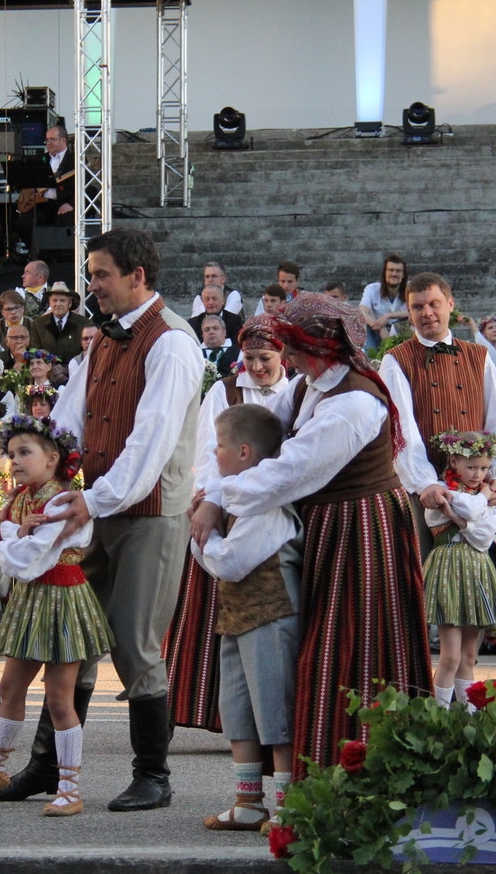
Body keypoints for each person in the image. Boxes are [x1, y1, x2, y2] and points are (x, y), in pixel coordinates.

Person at [0, 228, 202, 811]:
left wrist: (93, 498)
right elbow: (67, 421)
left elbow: (152, 441)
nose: (93, 284)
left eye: (101, 273)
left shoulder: (173, 343)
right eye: (91, 273)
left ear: (138, 276)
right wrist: (40, 470)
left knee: (135, 643)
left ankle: (153, 775)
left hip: (150, 513)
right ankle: (47, 766)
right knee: (71, 636)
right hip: (99, 508)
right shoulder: (104, 342)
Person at [191, 293, 431, 778]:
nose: (289, 359)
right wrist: (214, 493)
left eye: (294, 349)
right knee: (317, 646)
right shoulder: (306, 388)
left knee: (353, 642)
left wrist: (222, 498)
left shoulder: (357, 402)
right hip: (323, 524)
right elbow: (259, 435)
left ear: (322, 348)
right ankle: (300, 777)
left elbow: (289, 472)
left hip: (359, 529)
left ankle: (356, 771)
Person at [0, 415, 110, 816]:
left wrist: (8, 539)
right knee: (10, 687)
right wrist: (13, 536)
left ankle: (70, 787)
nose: (15, 461)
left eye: (25, 452)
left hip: (61, 599)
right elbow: (11, 540)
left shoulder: (60, 501)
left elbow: (27, 560)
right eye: (10, 454)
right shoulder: (21, 499)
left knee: (59, 697)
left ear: (53, 458)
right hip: (33, 599)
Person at [166, 315, 292, 736]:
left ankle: (260, 722)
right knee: (212, 615)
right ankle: (213, 711)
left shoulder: (293, 391)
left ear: (282, 356)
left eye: (266, 358)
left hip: (271, 506)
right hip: (228, 502)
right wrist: (213, 502)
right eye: (250, 357)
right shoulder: (224, 390)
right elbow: (208, 451)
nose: (257, 367)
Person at [193, 404, 302, 833]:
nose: (213, 454)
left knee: (275, 710)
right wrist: (206, 535)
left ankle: (287, 806)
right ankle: (247, 801)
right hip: (238, 614)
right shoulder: (237, 495)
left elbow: (230, 561)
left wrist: (206, 537)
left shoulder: (268, 504)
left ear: (242, 451)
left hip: (272, 613)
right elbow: (215, 557)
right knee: (237, 708)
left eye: (218, 446)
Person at [379, 272, 496, 555]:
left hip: (476, 490)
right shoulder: (396, 360)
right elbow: (400, 429)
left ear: (450, 304)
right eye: (418, 307)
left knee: (475, 576)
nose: (427, 313)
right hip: (425, 496)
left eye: (434, 304)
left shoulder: (479, 355)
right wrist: (425, 483)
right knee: (427, 575)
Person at [422, 431, 496, 706]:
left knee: (469, 656)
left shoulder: (478, 496)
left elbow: (485, 537)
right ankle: (438, 717)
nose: (478, 474)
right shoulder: (441, 490)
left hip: (476, 567)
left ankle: (466, 717)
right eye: (471, 467)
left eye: (484, 468)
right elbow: (473, 511)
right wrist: (480, 499)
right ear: (454, 462)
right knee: (450, 656)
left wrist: (458, 520)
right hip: (449, 566)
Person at [359, 253, 408, 351]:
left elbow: (414, 311)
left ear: (403, 275)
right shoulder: (372, 289)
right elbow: (362, 311)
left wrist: (388, 316)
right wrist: (380, 327)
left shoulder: (410, 289)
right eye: (390, 270)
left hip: (401, 332)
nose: (394, 274)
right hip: (376, 331)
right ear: (385, 273)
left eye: (398, 271)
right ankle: (370, 359)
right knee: (363, 326)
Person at [28, 282, 88, 363]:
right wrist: (52, 369)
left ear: (69, 303)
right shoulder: (38, 324)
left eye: (62, 300)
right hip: (48, 373)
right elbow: (35, 353)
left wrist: (66, 369)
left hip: (75, 372)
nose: (58, 304)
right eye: (54, 300)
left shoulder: (83, 324)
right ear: (49, 303)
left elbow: (86, 353)